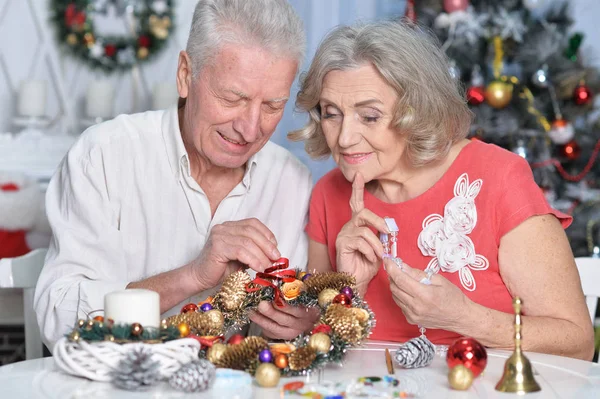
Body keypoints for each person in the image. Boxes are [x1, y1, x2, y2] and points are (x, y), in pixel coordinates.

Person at [290, 21, 595, 360]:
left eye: (370, 116)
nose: (344, 138)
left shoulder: (498, 178)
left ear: (417, 112)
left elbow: (577, 343)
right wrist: (351, 292)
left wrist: (465, 317)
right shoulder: (329, 194)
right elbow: (314, 349)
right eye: (331, 114)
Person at [35, 0, 319, 350]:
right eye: (232, 98)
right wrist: (192, 276)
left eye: (273, 106)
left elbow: (286, 338)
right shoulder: (104, 155)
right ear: (185, 74)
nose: (249, 129)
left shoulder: (292, 181)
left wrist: (300, 323)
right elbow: (58, 319)